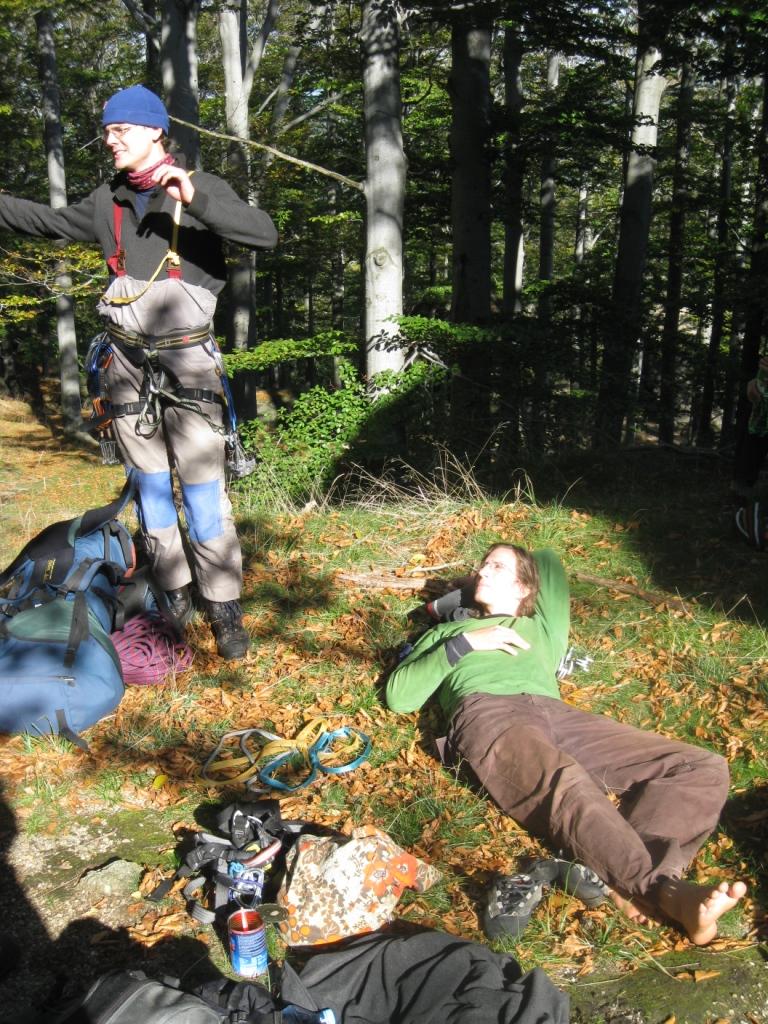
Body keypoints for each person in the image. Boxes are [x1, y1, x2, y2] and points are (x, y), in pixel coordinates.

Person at [0, 85, 278, 659]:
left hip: (189, 366)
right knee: (151, 490)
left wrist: (196, 199)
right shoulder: (109, 199)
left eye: (121, 129)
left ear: (155, 131)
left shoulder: (200, 187)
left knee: (202, 495)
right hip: (125, 366)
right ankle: (173, 595)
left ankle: (223, 607)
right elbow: (48, 221)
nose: (111, 140)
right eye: (107, 131)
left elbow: (263, 233)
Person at [386, 543, 746, 945]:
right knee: (566, 782)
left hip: (558, 714)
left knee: (701, 767)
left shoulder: (541, 628)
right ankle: (665, 891)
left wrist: (469, 589)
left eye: (496, 566)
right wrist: (467, 643)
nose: (483, 571)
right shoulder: (448, 634)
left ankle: (621, 872)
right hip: (487, 711)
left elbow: (548, 560)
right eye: (482, 565)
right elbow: (400, 696)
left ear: (524, 587)